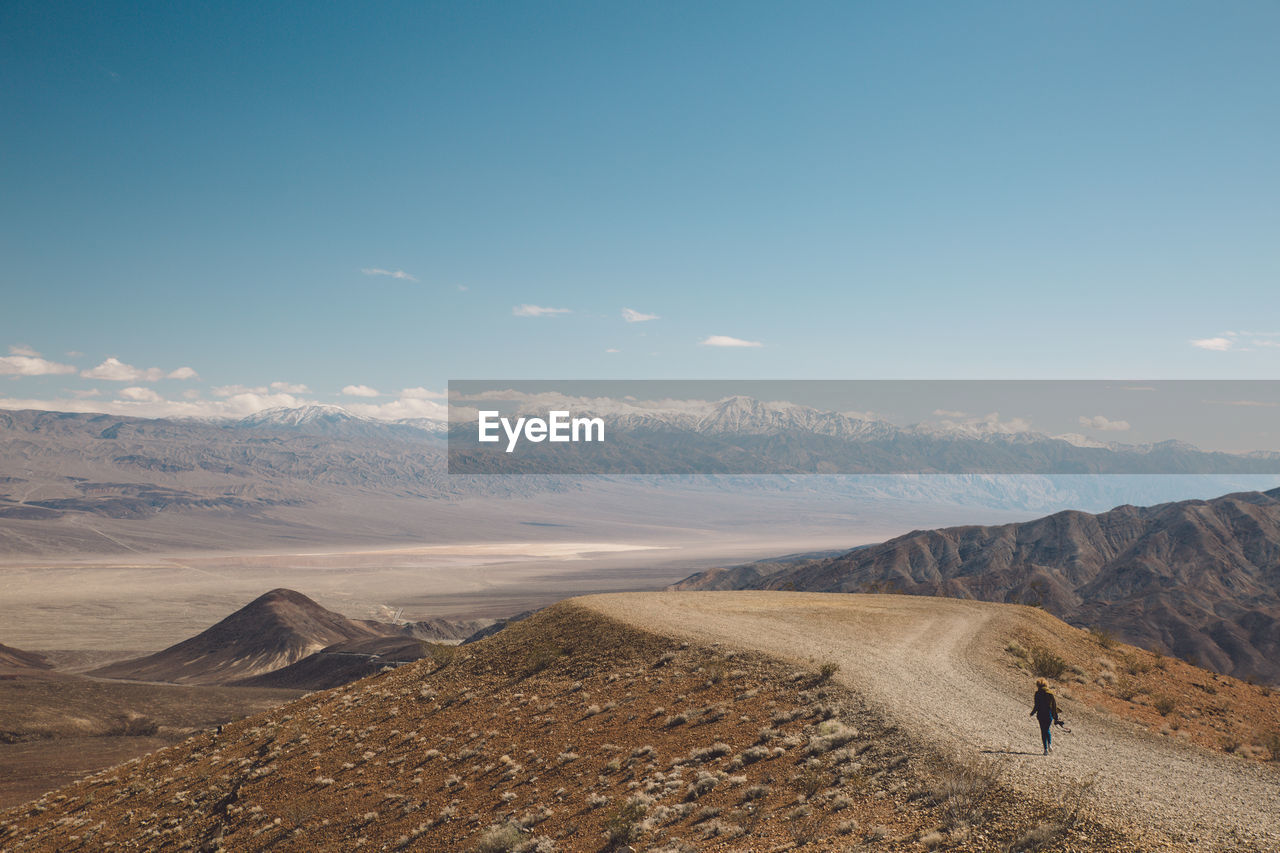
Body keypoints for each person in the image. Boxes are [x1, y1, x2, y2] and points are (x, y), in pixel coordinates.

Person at [1029, 678, 1061, 755]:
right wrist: (1056, 717)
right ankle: (1049, 744)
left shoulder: (1037, 693)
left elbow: (1036, 705)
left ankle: (1045, 750)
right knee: (1047, 729)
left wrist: (1032, 713)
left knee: (1043, 731)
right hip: (1048, 715)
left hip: (1040, 715)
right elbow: (1054, 706)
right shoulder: (1050, 693)